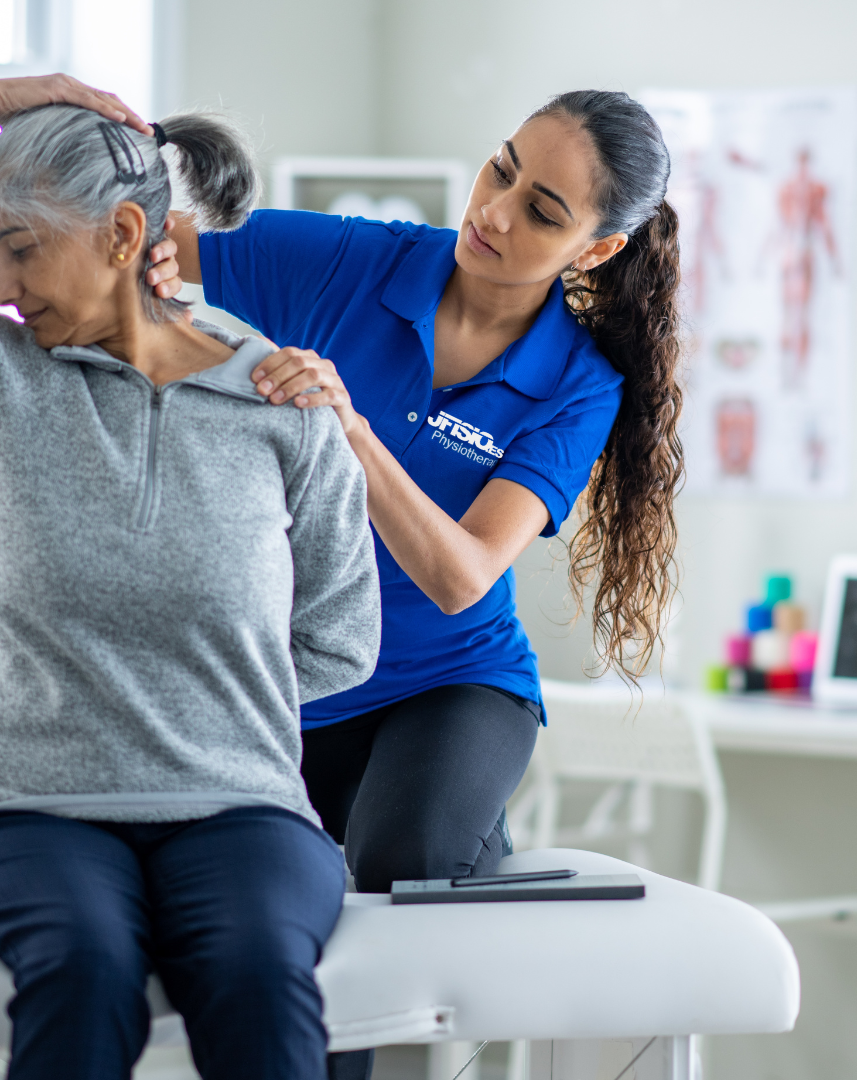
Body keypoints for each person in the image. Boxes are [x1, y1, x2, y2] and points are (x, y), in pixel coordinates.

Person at [0, 70, 379, 1080]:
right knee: (84, 967)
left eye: (21, 249)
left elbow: (341, 642)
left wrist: (203, 712)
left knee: (258, 970)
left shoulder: (288, 405)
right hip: (25, 811)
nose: (2, 289)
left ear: (123, 233)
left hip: (241, 810)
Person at [141, 91, 684, 912]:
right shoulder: (354, 261)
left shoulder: (578, 386)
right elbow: (139, 249)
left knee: (407, 859)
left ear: (596, 248)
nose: (494, 214)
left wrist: (349, 428)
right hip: (297, 681)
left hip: (450, 681)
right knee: (273, 908)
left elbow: (462, 576)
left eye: (540, 211)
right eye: (500, 169)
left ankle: (462, 848)